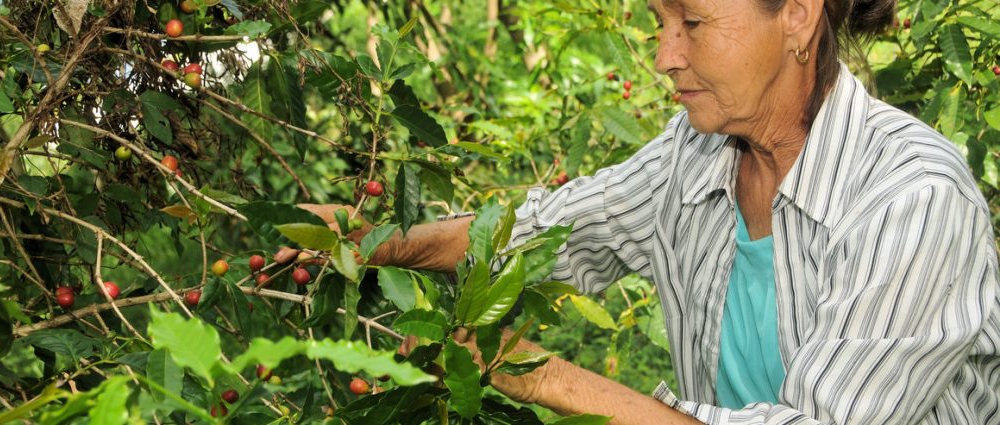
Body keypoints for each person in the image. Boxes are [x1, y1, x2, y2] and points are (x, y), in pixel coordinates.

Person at [285, 0, 1000, 422]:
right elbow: (549, 234)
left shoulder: (910, 199)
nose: (664, 55)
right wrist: (371, 240)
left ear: (798, 16)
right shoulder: (694, 151)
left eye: (690, 21)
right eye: (658, 20)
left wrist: (543, 377)